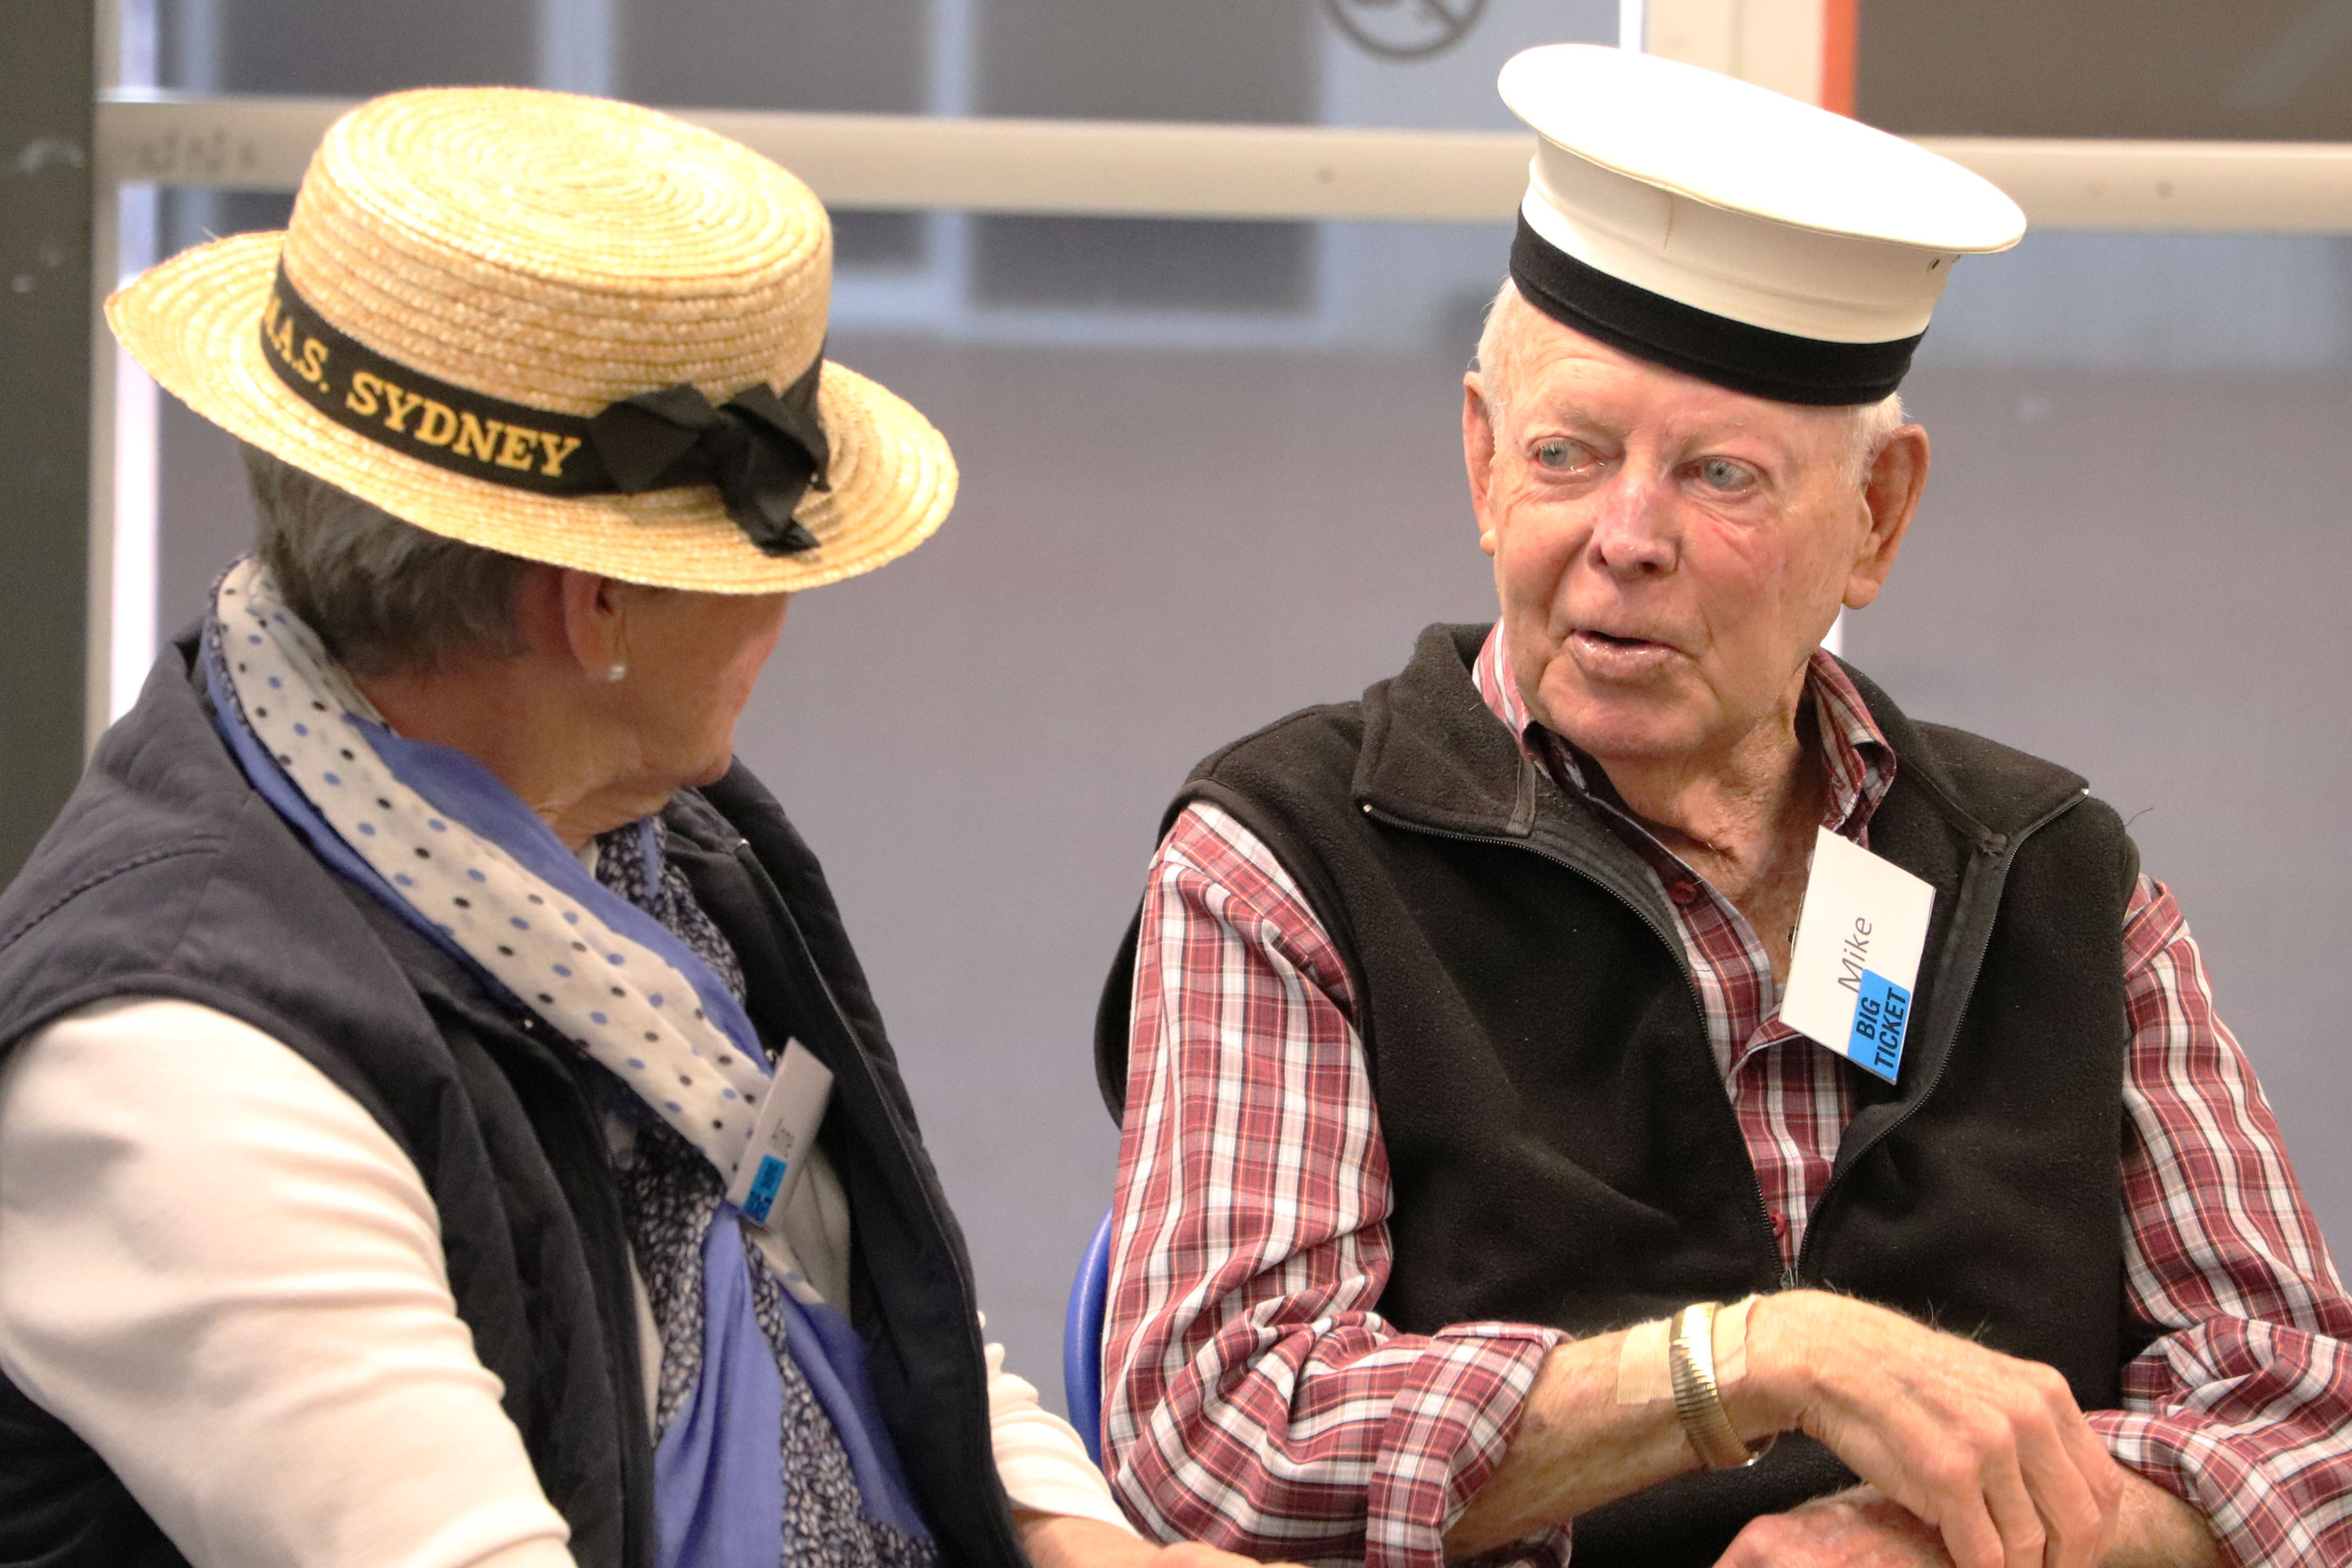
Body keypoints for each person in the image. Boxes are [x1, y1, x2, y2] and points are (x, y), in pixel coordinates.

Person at [1092, 44, 2352, 1568]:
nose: (1626, 537)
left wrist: (1980, 1539)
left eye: (1723, 477)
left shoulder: (2052, 875)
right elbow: (1214, 1444)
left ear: (1876, 518)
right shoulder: (1287, 858)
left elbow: (2306, 1424)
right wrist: (1755, 1362)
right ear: (1485, 463)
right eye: (1569, 454)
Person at [0, 87, 1271, 1568]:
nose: (792, 610)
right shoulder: (179, 1071)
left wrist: (1072, 1539)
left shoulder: (637, 842)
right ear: (596, 608)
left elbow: (850, 1295)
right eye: (778, 545)